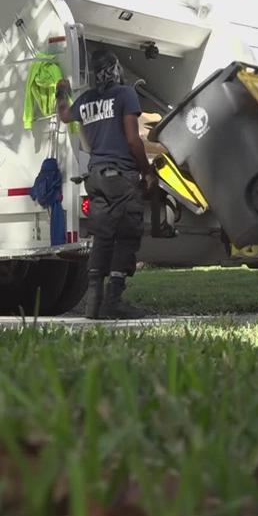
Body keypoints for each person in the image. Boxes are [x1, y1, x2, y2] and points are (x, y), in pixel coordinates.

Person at [56, 49, 156, 320]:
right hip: (121, 177)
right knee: (126, 236)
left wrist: (61, 92)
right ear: (115, 70)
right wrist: (147, 172)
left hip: (96, 178)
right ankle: (113, 301)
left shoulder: (86, 100)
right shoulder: (125, 95)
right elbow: (134, 140)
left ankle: (93, 303)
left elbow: (64, 115)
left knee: (102, 237)